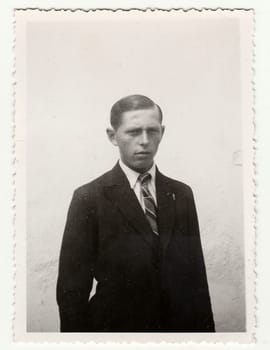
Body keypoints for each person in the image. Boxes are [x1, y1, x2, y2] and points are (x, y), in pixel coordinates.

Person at [56, 94, 215, 332]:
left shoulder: (181, 193)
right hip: (116, 332)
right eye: (133, 132)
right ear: (113, 136)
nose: (144, 141)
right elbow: (72, 290)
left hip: (177, 333)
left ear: (162, 132)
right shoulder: (89, 197)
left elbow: (196, 279)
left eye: (152, 131)